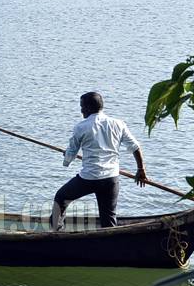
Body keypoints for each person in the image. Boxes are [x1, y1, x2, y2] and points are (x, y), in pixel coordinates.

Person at [51, 92, 147, 231]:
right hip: (111, 179)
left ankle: (56, 232)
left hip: (88, 178)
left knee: (61, 197)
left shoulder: (81, 127)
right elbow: (135, 147)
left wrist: (66, 157)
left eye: (82, 106)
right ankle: (111, 245)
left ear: (89, 107)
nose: (81, 110)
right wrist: (141, 170)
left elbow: (71, 154)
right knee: (108, 219)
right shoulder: (118, 124)